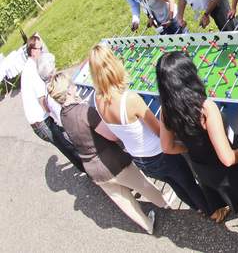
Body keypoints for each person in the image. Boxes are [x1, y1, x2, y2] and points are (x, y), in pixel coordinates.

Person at [156, 51, 238, 243]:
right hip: (228, 172)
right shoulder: (205, 107)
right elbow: (227, 158)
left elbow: (167, 147)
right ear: (188, 75)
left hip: (202, 170)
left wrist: (192, 148)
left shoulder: (167, 110)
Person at [88, 44, 220, 220]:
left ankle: (198, 208)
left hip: (140, 159)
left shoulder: (96, 99)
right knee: (189, 184)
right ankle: (213, 212)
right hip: (160, 154)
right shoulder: (130, 99)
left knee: (176, 185)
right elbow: (159, 130)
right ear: (114, 65)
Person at [49, 72, 169, 234]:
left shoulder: (63, 116)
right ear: (68, 91)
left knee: (124, 201)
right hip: (111, 163)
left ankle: (148, 226)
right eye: (71, 84)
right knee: (142, 184)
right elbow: (111, 136)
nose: (74, 86)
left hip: (93, 170)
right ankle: (163, 203)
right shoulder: (85, 111)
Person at [21, 34, 84, 172]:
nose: (42, 50)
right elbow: (42, 100)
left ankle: (88, 167)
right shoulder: (33, 71)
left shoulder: (32, 65)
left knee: (69, 142)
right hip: (42, 122)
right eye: (40, 48)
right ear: (33, 51)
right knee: (68, 146)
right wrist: (56, 116)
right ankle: (91, 173)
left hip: (40, 120)